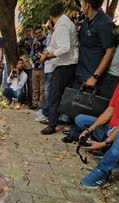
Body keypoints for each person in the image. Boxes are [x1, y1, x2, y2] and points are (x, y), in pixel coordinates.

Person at [64, 83, 119, 188]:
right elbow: (110, 110)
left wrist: (104, 143)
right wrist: (89, 130)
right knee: (80, 119)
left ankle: (102, 170)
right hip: (110, 127)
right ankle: (104, 147)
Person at [39, 3, 79, 135]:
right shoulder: (63, 23)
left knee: (54, 95)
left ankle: (52, 124)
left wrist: (48, 56)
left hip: (65, 65)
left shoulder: (62, 26)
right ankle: (53, 119)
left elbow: (64, 48)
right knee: (56, 94)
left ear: (51, 17)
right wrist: (45, 52)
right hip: (64, 64)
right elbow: (55, 45)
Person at [73, 0, 115, 95]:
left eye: (82, 3)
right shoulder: (87, 22)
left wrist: (95, 76)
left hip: (91, 79)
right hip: (79, 74)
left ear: (87, 5)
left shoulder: (105, 23)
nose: (81, 6)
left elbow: (110, 51)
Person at [35, 20, 55, 122]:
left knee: (47, 91)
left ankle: (45, 113)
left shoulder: (54, 36)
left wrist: (44, 55)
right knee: (46, 91)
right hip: (47, 67)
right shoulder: (50, 36)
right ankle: (44, 110)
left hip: (52, 67)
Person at [29, 26, 46, 110]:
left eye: (40, 32)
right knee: (35, 88)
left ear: (42, 32)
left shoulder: (46, 41)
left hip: (43, 68)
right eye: (36, 33)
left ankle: (41, 105)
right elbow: (31, 55)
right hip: (35, 68)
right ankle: (34, 103)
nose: (38, 34)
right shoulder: (35, 43)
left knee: (42, 89)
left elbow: (47, 53)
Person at [18, 25, 34, 107]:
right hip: (23, 66)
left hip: (31, 66)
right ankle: (24, 100)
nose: (28, 32)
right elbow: (19, 51)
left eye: (29, 30)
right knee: (23, 84)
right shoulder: (22, 41)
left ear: (32, 31)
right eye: (27, 31)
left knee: (30, 85)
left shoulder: (34, 41)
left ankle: (30, 101)